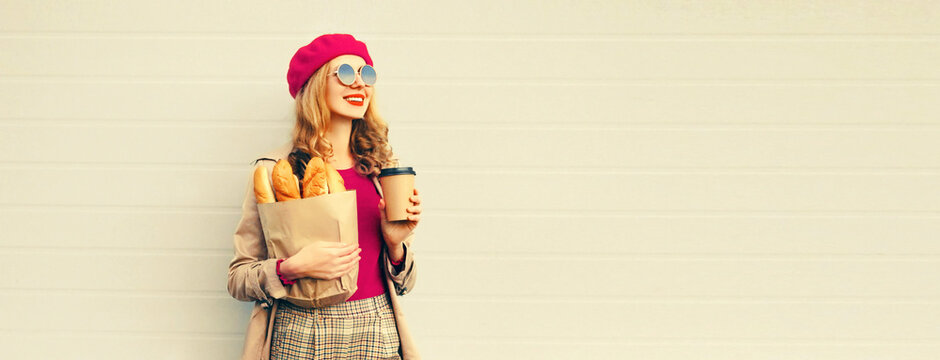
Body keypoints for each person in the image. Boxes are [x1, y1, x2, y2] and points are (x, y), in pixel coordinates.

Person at [227, 34, 421, 360]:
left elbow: (405, 283)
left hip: (376, 325)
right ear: (316, 84)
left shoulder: (382, 170)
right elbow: (238, 278)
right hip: (301, 329)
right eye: (346, 73)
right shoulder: (276, 170)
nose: (359, 84)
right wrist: (290, 268)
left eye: (367, 74)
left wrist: (396, 245)